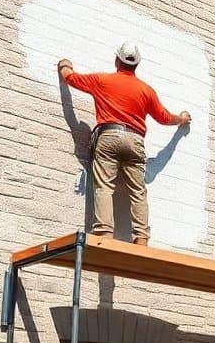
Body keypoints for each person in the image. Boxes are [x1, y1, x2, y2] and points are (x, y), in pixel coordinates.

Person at [57, 42, 191, 245]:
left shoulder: (102, 80)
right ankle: (142, 237)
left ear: (117, 60)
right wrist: (181, 119)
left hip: (109, 136)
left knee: (104, 185)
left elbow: (71, 79)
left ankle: (103, 232)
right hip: (135, 140)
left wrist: (64, 66)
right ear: (136, 65)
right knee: (138, 191)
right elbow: (164, 117)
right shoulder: (146, 91)